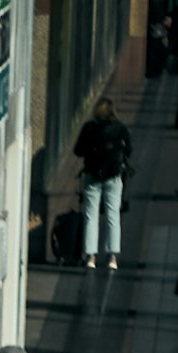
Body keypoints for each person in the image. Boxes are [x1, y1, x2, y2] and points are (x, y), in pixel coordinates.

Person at [75, 95, 136, 267]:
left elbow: (78, 150)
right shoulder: (120, 128)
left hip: (92, 175)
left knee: (91, 215)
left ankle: (91, 256)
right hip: (114, 176)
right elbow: (129, 151)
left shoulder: (89, 128)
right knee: (113, 215)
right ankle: (112, 257)